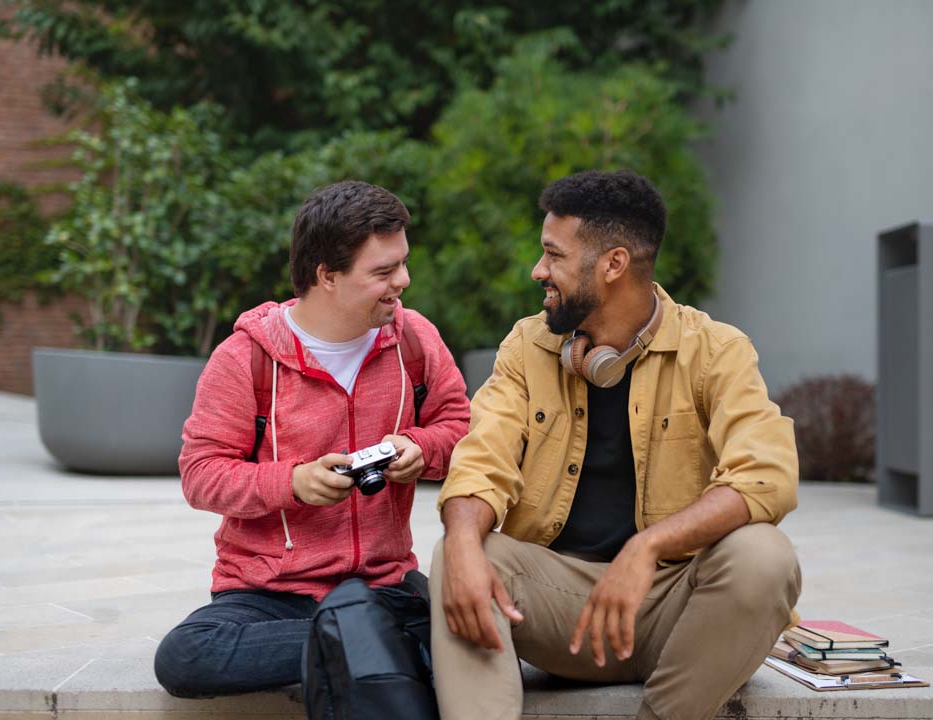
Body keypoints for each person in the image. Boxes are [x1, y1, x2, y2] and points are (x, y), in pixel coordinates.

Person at [430, 170, 801, 720]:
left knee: (764, 557)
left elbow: (765, 475)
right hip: (557, 610)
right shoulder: (527, 346)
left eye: (553, 255)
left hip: (673, 612)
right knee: (461, 552)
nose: (539, 271)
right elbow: (482, 461)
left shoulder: (717, 349)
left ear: (613, 265)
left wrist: (645, 549)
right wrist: (460, 542)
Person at [155, 180, 470, 697]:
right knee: (185, 657)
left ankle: (354, 645)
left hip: (382, 586)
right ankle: (366, 645)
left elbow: (460, 428)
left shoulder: (415, 340)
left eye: (403, 263)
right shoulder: (244, 358)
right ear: (327, 275)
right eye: (384, 271)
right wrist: (294, 481)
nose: (404, 281)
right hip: (269, 593)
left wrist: (421, 447)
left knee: (486, 630)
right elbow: (200, 475)